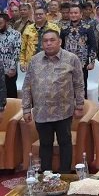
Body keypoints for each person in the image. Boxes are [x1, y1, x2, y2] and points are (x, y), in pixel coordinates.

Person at [22, 30, 84, 173]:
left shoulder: (71, 58)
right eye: (45, 41)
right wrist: (26, 109)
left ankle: (65, 175)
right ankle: (46, 176)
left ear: (59, 41)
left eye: (52, 40)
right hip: (41, 111)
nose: (48, 43)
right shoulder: (35, 60)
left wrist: (79, 105)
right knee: (45, 144)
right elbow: (27, 86)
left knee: (65, 143)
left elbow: (79, 84)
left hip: (64, 111)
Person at [0, 13, 20, 98]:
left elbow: (17, 51)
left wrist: (12, 68)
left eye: (0, 23)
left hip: (9, 70)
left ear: (7, 22)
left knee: (10, 93)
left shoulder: (16, 34)